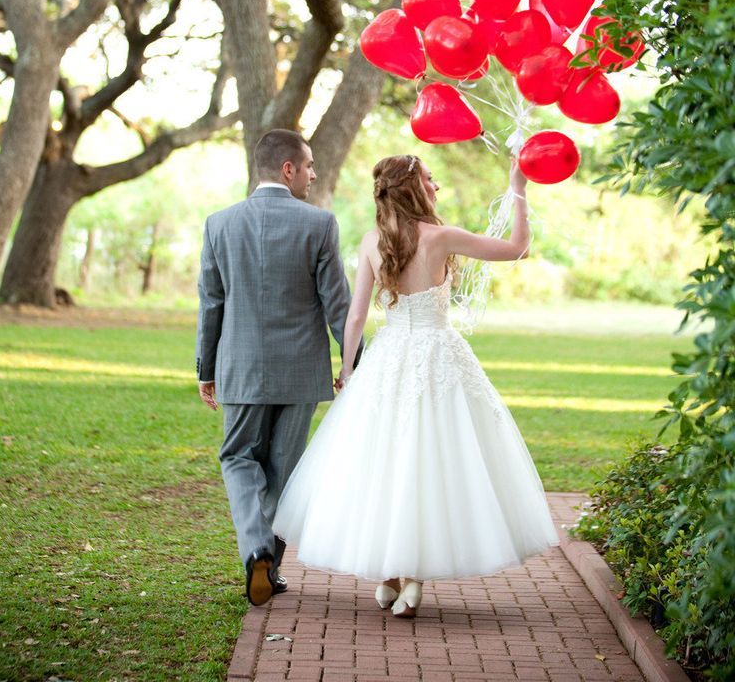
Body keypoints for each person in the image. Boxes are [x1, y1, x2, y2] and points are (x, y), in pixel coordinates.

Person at [273, 153, 559, 618]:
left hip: (388, 357)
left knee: (383, 459)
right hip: (438, 354)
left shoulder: (372, 241)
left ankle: (392, 574)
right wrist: (519, 188)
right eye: (430, 178)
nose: (437, 185)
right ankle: (407, 577)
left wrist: (348, 369)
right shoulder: (442, 237)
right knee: (429, 459)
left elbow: (357, 315)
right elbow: (517, 249)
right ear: (413, 188)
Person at [196, 129, 355, 608]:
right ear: (287, 169)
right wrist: (354, 364)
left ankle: (257, 551)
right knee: (284, 471)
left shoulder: (219, 224)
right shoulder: (320, 224)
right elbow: (339, 306)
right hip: (301, 372)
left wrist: (207, 367)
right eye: (308, 166)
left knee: (238, 458)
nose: (312, 174)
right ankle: (272, 565)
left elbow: (211, 304)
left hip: (241, 368)